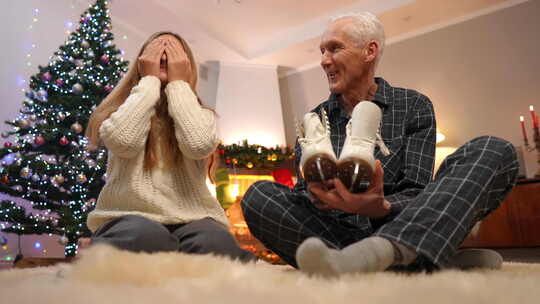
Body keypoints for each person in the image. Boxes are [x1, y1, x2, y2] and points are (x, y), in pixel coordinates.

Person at [241, 13, 518, 276]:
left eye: (334, 49)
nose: (324, 61)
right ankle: (410, 260)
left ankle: (378, 255)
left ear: (370, 51)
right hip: (333, 234)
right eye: (322, 51)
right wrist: (318, 198)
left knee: (494, 149)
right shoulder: (313, 121)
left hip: (398, 222)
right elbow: (303, 197)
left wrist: (380, 206)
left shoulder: (413, 105)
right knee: (259, 196)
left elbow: (417, 192)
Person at [84, 31, 255, 262]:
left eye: (172, 54)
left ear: (186, 65)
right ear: (142, 63)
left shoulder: (201, 114)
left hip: (193, 219)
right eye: (157, 52)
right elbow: (124, 141)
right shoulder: (118, 111)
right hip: (127, 217)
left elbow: (197, 145)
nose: (164, 57)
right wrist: (149, 81)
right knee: (147, 236)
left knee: (215, 243)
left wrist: (178, 85)